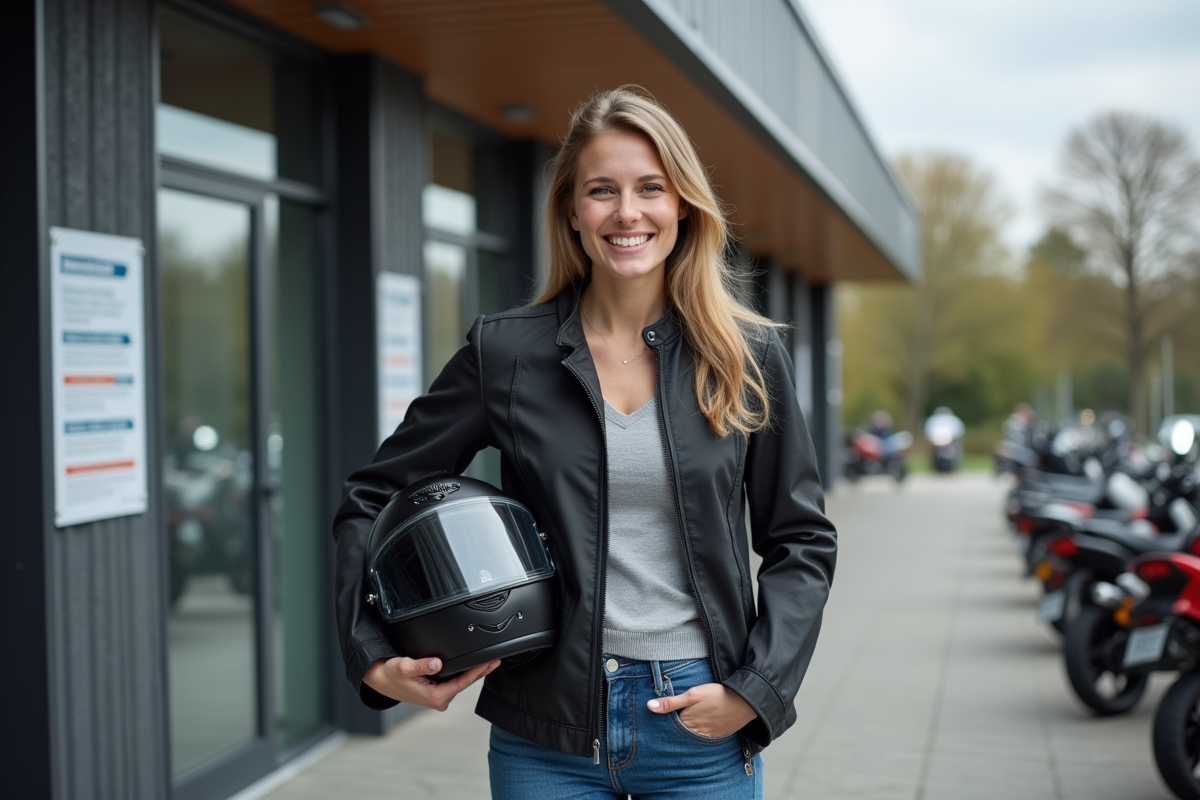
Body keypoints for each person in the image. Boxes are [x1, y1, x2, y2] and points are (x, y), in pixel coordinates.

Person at [332, 86, 837, 799]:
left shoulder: (745, 353)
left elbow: (801, 540)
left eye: (650, 188)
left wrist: (757, 688)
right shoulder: (506, 353)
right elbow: (373, 495)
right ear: (572, 210)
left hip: (701, 720)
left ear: (683, 205)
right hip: (546, 732)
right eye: (602, 190)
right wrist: (373, 653)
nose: (627, 212)